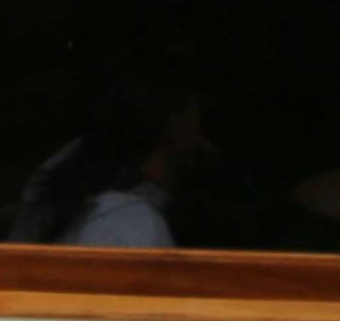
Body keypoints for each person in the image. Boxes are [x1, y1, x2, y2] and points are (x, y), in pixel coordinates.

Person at [11, 78, 209, 248]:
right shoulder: (141, 230)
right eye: (195, 117)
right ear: (174, 126)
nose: (199, 135)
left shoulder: (53, 181)